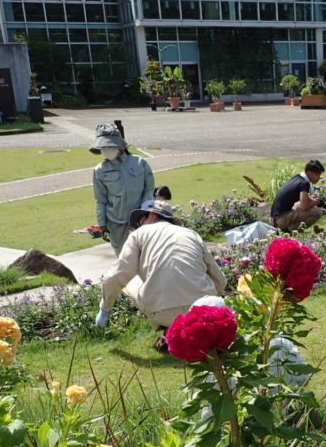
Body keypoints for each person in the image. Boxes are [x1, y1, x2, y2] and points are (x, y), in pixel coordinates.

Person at [95, 200, 227, 350]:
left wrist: (104, 310)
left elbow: (115, 277)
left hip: (163, 313)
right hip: (203, 310)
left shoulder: (139, 234)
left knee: (130, 281)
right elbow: (220, 279)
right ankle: (191, 330)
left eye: (140, 221)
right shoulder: (191, 234)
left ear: (152, 216)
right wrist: (211, 300)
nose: (139, 226)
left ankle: (169, 330)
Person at [90, 124, 154, 255]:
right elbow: (100, 199)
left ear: (119, 146)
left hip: (139, 220)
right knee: (122, 258)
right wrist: (102, 223)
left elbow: (149, 189)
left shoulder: (139, 162)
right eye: (103, 147)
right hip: (115, 222)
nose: (105, 150)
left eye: (108, 146)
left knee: (144, 256)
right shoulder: (100, 170)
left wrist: (144, 212)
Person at [270, 160, 326, 232]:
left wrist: (315, 201)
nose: (319, 178)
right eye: (317, 175)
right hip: (282, 219)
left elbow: (306, 198)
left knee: (302, 205)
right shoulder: (305, 183)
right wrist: (316, 202)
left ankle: (286, 228)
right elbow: (304, 206)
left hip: (275, 218)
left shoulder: (298, 178)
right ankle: (291, 230)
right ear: (309, 173)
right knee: (318, 212)